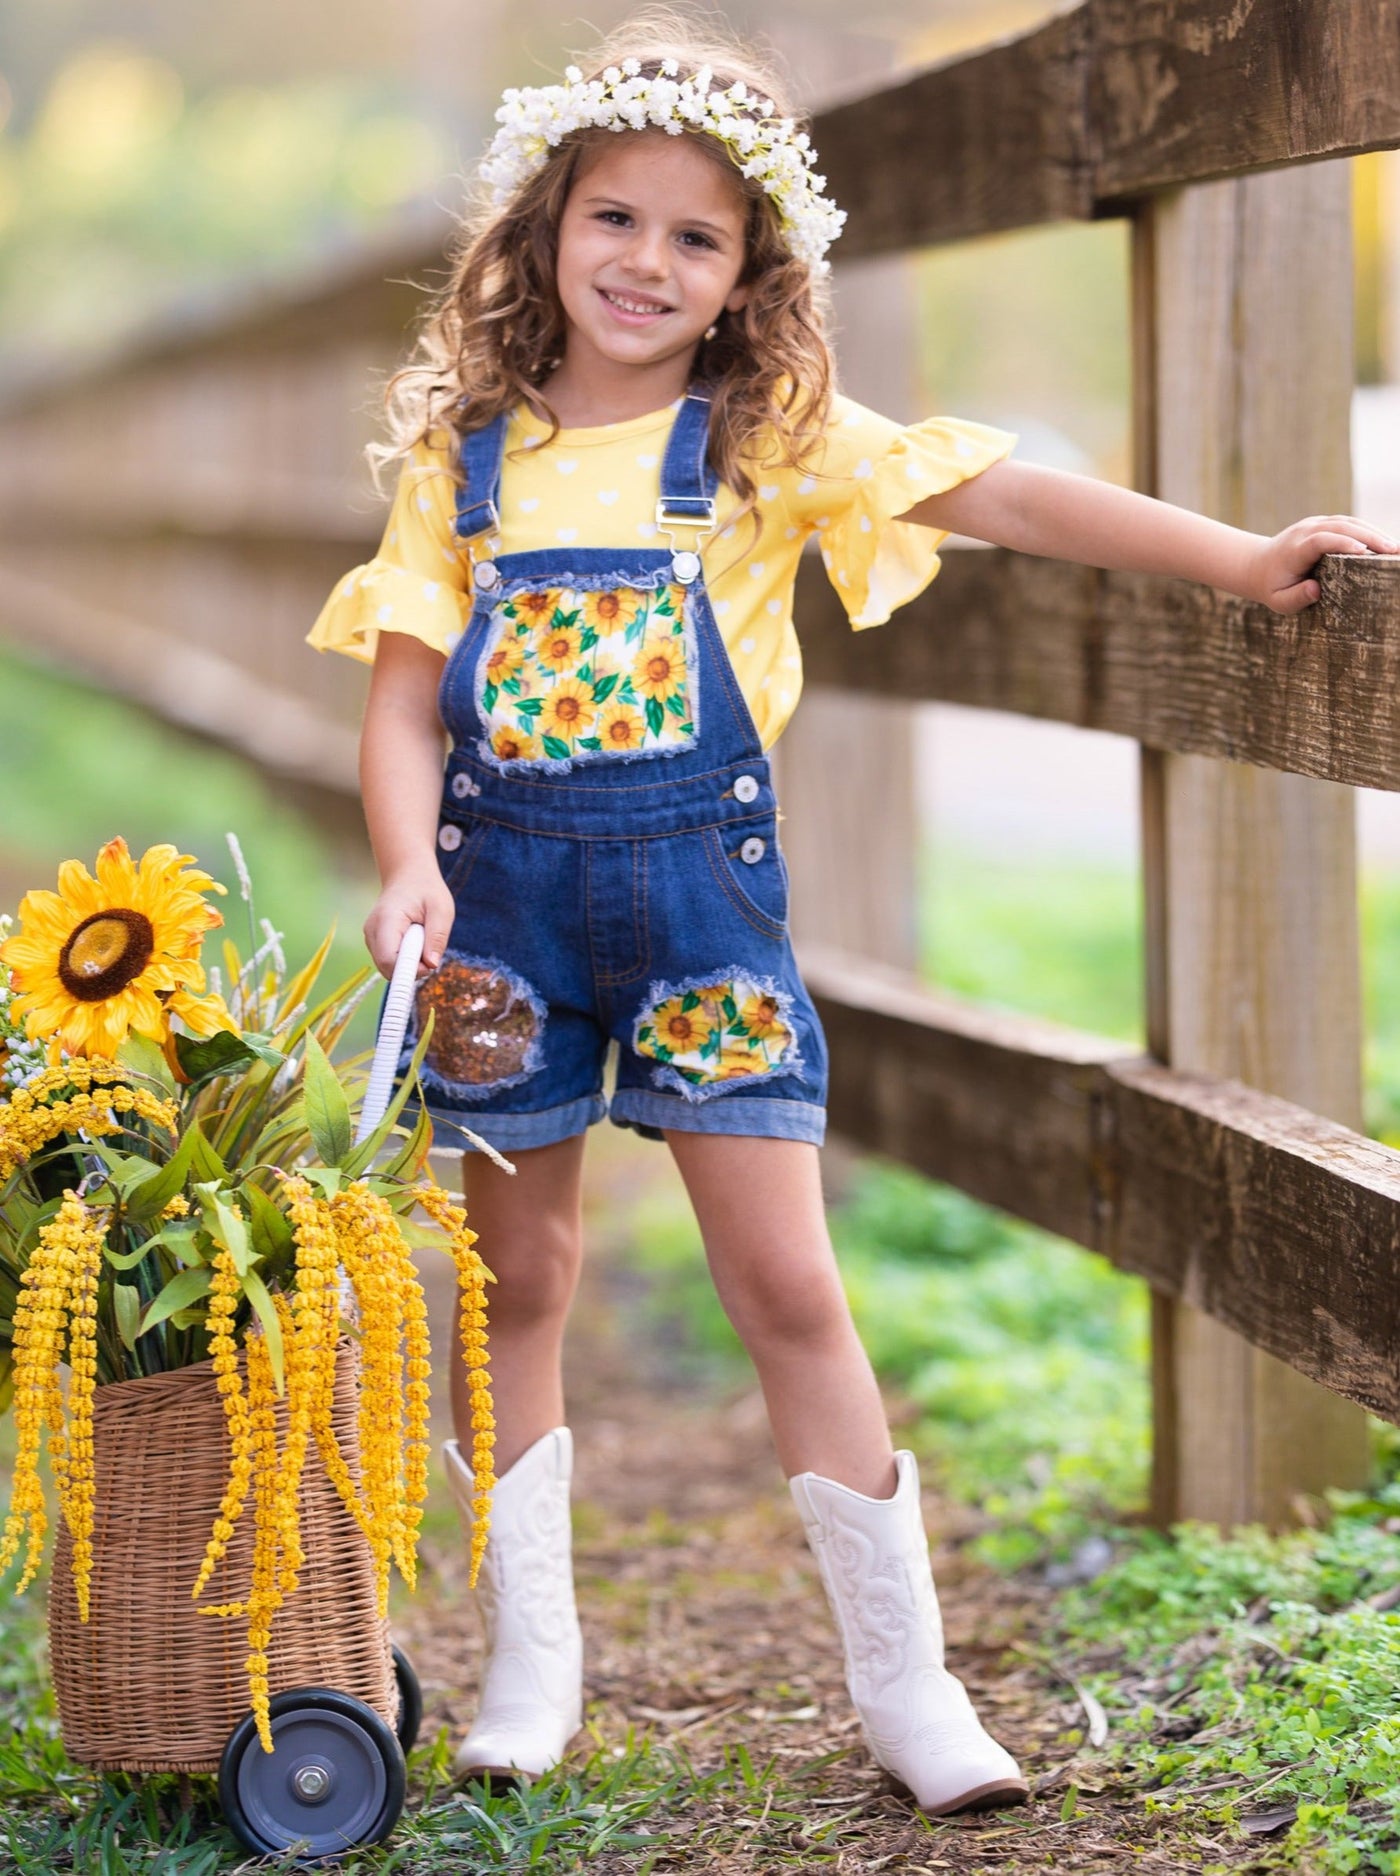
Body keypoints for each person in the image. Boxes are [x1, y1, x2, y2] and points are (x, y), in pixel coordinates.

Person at [307, 7, 1397, 1819]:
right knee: (519, 1273)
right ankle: (532, 1657)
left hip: (704, 929)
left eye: (696, 237)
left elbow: (1005, 489)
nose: (647, 263)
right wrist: (410, 865)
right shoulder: (467, 456)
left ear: (749, 277)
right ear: (544, 226)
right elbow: (407, 696)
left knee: (788, 1283)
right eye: (615, 220)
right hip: (494, 925)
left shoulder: (767, 437)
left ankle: (908, 1687)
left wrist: (1238, 550)